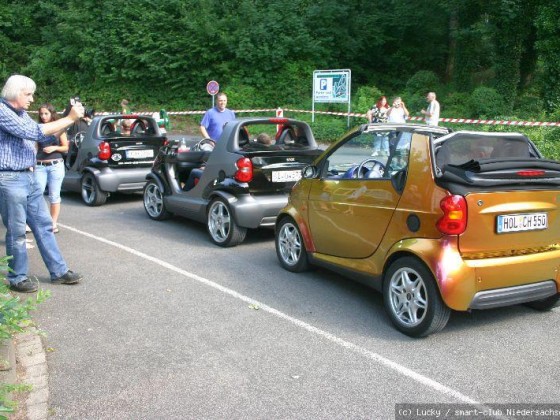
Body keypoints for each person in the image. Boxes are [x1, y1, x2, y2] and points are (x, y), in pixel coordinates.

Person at [0, 75, 84, 293]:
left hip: (29, 177)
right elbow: (33, 132)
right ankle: (17, 277)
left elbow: (44, 139)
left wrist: (70, 120)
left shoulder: (22, 115)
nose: (32, 99)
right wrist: (68, 118)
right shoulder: (2, 112)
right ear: (15, 93)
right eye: (28, 94)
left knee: (44, 226)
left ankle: (59, 272)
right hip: (10, 179)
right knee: (17, 231)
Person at [35, 103, 69, 234]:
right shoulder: (38, 128)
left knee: (54, 196)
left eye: (46, 113)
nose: (43, 116)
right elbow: (35, 147)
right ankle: (36, 222)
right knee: (36, 194)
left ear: (51, 114)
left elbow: (65, 147)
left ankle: (53, 223)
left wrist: (54, 147)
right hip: (39, 165)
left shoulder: (58, 127)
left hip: (55, 165)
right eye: (41, 114)